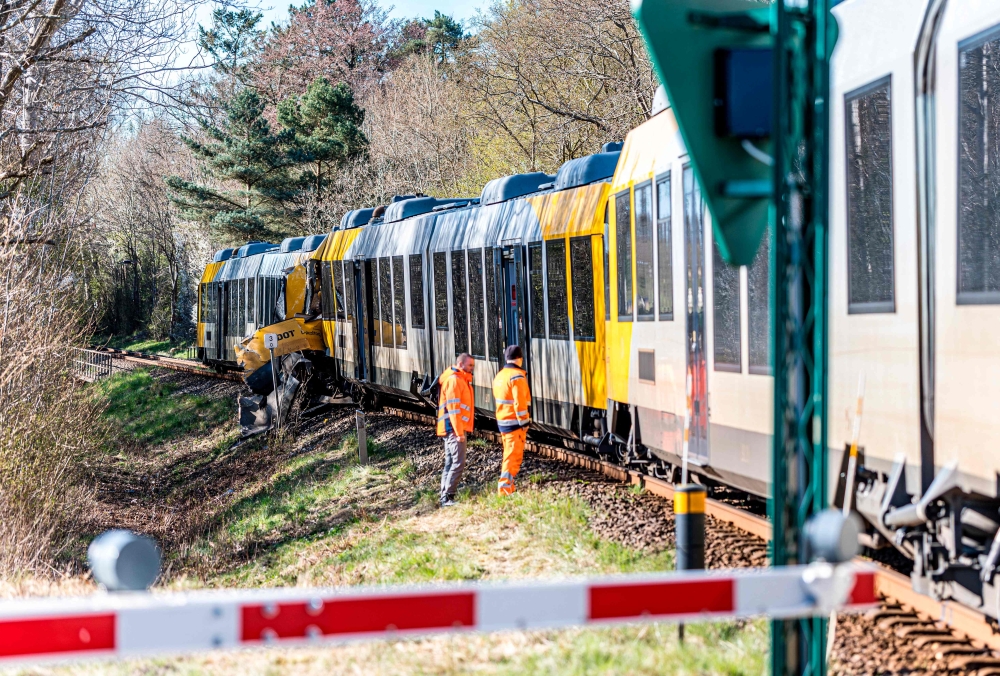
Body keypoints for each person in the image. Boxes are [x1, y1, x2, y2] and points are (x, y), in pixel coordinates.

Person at [437, 353, 475, 507]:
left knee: (450, 462)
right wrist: (459, 433)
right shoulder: (454, 381)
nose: (472, 368)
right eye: (470, 365)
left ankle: (444, 496)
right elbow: (454, 410)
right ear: (460, 364)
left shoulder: (459, 379)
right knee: (458, 463)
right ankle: (448, 497)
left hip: (452, 428)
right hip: (454, 429)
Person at [493, 345, 531, 495]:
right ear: (520, 359)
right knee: (512, 456)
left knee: (509, 454)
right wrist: (524, 422)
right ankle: (504, 489)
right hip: (514, 423)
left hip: (503, 420)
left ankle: (509, 487)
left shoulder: (501, 375)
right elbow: (519, 402)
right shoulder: (517, 376)